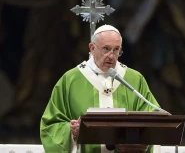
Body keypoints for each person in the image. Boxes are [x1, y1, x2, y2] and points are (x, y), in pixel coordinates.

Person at [40, 24, 160, 153]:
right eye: (106, 49)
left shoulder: (134, 80)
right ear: (92, 48)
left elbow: (153, 118)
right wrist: (70, 131)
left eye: (116, 50)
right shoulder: (70, 80)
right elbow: (50, 126)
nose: (111, 56)